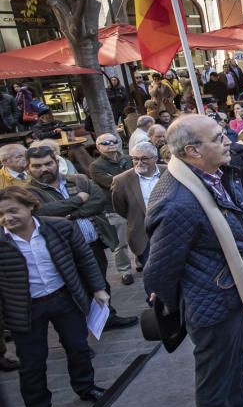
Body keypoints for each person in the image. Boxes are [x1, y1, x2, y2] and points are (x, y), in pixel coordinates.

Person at [145, 114, 243, 407]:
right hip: (210, 301)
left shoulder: (209, 173)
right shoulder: (176, 201)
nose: (228, 141)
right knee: (214, 374)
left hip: (232, 290)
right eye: (219, 137)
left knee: (234, 358)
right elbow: (159, 269)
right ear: (191, 151)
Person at [0, 186, 109, 407]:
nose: (7, 218)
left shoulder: (59, 227)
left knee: (78, 347)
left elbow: (84, 257)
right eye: (1, 214)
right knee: (33, 363)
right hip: (24, 310)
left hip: (64, 299)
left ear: (30, 206)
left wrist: (98, 288)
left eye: (13, 210)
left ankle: (86, 387)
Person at [26, 145, 136, 330]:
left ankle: (107, 317)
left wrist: (70, 214)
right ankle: (81, 327)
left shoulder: (79, 180)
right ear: (28, 168)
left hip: (92, 244)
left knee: (99, 282)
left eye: (48, 163)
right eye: (37, 166)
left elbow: (98, 201)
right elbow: (44, 211)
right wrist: (78, 200)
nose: (44, 169)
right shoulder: (30, 193)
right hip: (63, 249)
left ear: (56, 162)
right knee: (75, 289)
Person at [90, 133, 137, 284]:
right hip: (113, 207)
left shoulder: (128, 159)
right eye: (105, 142)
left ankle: (141, 262)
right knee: (120, 243)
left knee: (139, 236)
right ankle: (125, 271)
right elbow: (111, 183)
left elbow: (137, 176)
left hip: (134, 203)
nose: (111, 144)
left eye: (114, 141)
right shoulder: (96, 166)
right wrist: (127, 177)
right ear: (98, 147)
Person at [110, 142, 163, 270]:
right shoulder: (121, 180)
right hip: (143, 236)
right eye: (135, 158)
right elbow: (120, 208)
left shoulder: (169, 172)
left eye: (144, 158)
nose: (139, 162)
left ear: (155, 158)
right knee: (152, 273)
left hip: (172, 231)